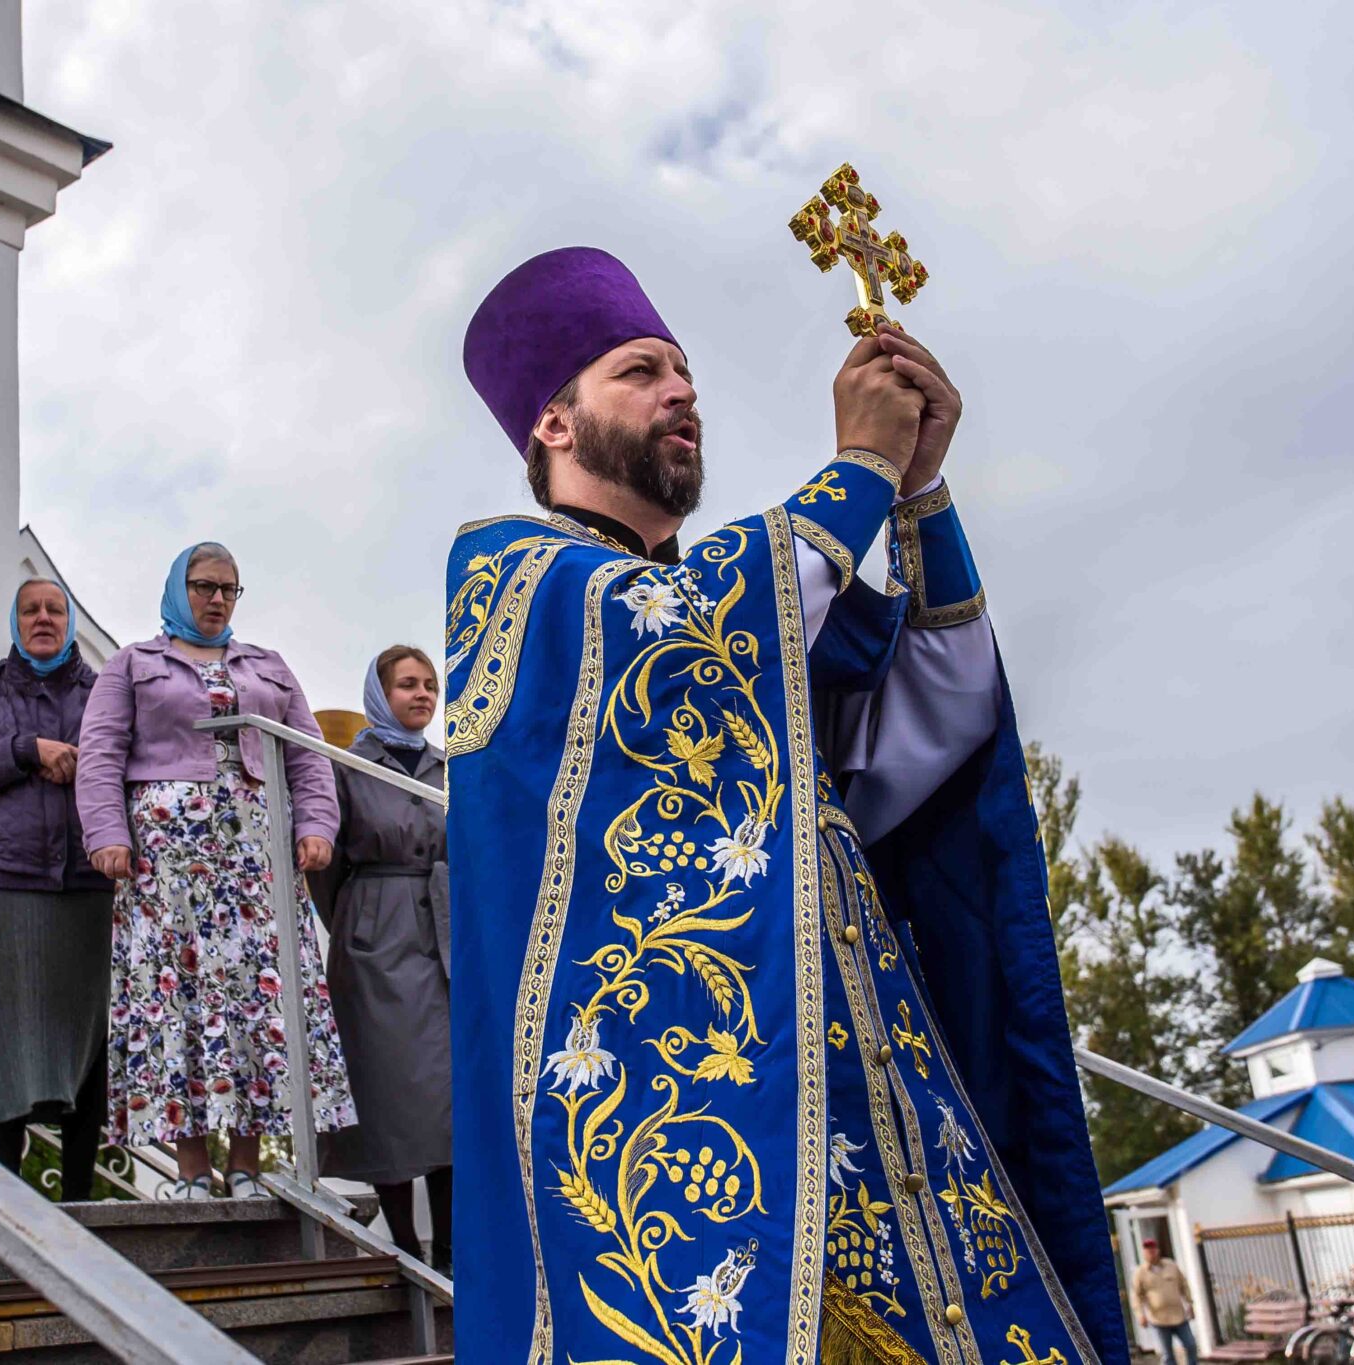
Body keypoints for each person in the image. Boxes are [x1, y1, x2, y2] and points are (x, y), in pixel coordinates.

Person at [446, 248, 1127, 1364]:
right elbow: (673, 625)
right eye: (639, 371)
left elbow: (938, 725)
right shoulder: (512, 576)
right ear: (554, 424)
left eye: (685, 371)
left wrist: (916, 492)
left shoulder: (762, 622)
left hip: (876, 1099)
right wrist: (861, 466)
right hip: (696, 1140)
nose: (681, 391)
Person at [75, 542, 355, 1201]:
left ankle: (248, 1167)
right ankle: (193, 1170)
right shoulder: (133, 663)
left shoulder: (268, 665)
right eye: (204, 586)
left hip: (255, 861)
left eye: (229, 588)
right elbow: (100, 752)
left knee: (256, 997)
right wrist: (107, 834)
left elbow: (308, 756)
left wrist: (317, 825)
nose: (217, 599)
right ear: (179, 588)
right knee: (178, 998)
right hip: (167, 866)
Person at [0, 578, 110, 1200]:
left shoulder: (104, 695)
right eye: (30, 610)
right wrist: (24, 750)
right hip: (0, 884)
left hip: (87, 880)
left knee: (86, 1028)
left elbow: (131, 768)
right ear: (15, 622)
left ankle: (79, 1198)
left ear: (69, 622)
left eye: (55, 610)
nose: (43, 619)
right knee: (2, 1027)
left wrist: (86, 765)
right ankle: (5, 1193)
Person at [308, 646, 452, 1272]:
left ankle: (449, 1252)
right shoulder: (347, 766)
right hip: (374, 940)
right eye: (407, 685)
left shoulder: (452, 767)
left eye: (430, 685)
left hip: (445, 940)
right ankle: (404, 1243)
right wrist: (359, 924)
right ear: (380, 694)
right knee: (387, 1091)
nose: (422, 695)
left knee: (447, 1096)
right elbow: (325, 871)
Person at [1133, 1238, 1199, 1365]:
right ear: (1144, 1253)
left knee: (1191, 1345)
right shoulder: (1140, 1273)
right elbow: (1136, 1296)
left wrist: (1190, 1303)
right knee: (1167, 1354)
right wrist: (1140, 1315)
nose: (1151, 1253)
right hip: (1159, 1319)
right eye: (1148, 1250)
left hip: (1179, 1316)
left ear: (1157, 1250)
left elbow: (1184, 1285)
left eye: (1153, 1249)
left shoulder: (1171, 1266)